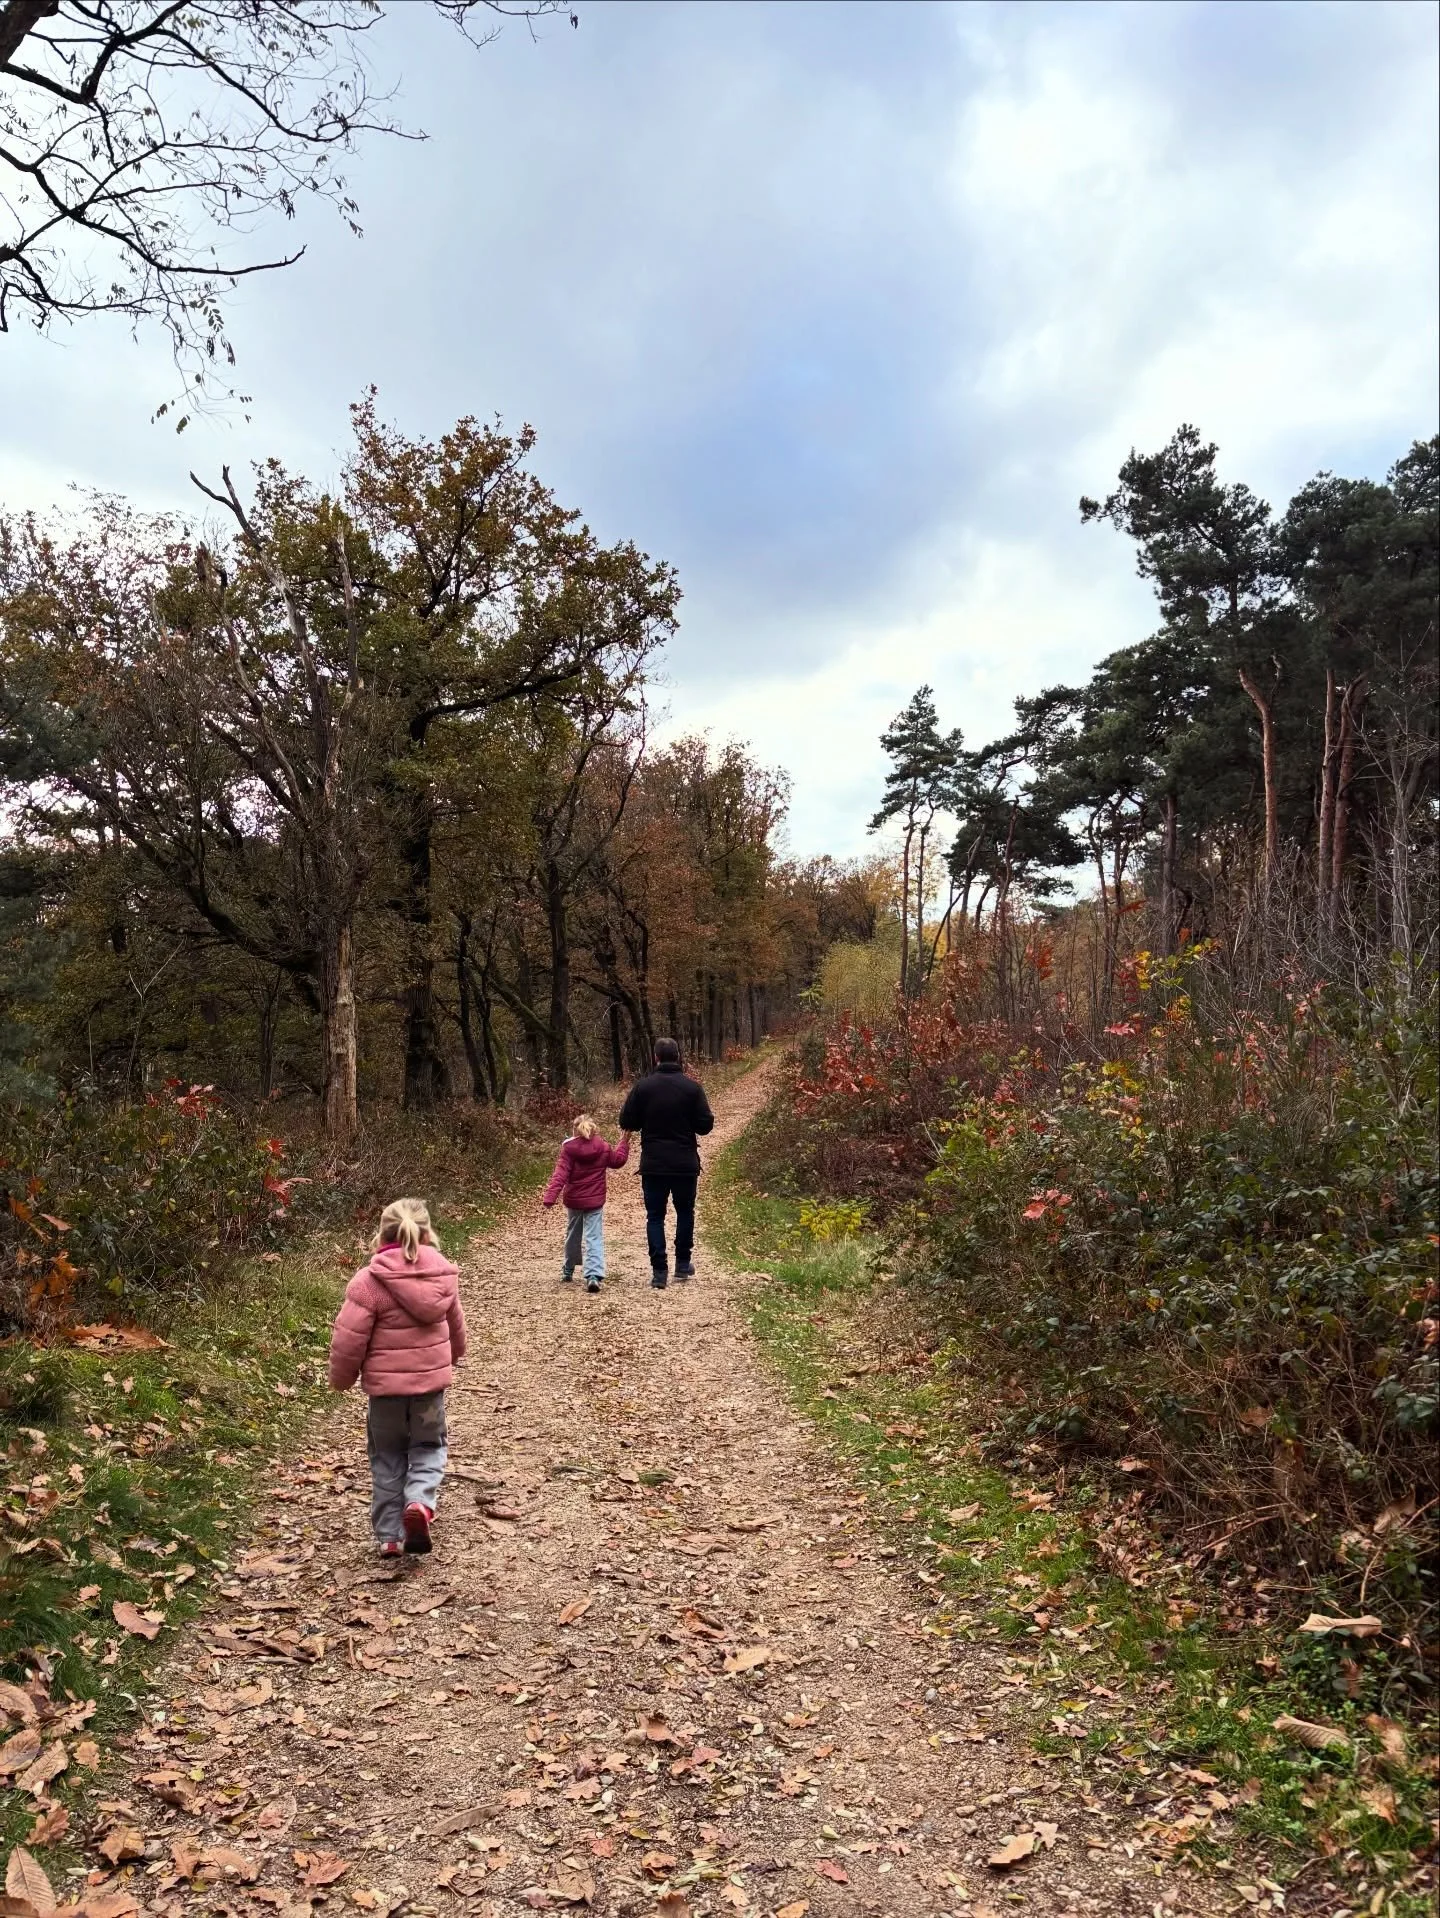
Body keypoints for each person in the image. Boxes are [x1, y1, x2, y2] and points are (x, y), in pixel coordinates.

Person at [327, 1196, 466, 1559]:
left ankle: (390, 1536)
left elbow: (348, 1339)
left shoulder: (368, 1282)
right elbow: (456, 1328)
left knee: (387, 1455)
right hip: (429, 1392)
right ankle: (419, 1503)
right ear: (427, 1233)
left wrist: (341, 1378)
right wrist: (452, 1356)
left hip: (385, 1395)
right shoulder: (442, 1276)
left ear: (383, 1233)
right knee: (429, 1447)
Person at [618, 1037, 715, 1288]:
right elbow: (705, 1126)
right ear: (678, 1057)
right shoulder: (692, 1089)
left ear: (656, 1058)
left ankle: (659, 1271)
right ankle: (683, 1263)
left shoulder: (643, 1088)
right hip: (685, 1163)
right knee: (685, 1212)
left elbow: (627, 1121)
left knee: (655, 1216)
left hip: (654, 1163)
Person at [541, 1112, 630, 1293]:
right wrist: (624, 1142)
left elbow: (560, 1174)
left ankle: (568, 1269)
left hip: (574, 1200)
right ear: (594, 1130)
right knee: (594, 1236)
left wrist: (550, 1196)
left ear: (574, 1130)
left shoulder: (568, 1150)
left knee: (573, 1234)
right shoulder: (603, 1147)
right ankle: (593, 1275)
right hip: (595, 1200)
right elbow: (618, 1161)